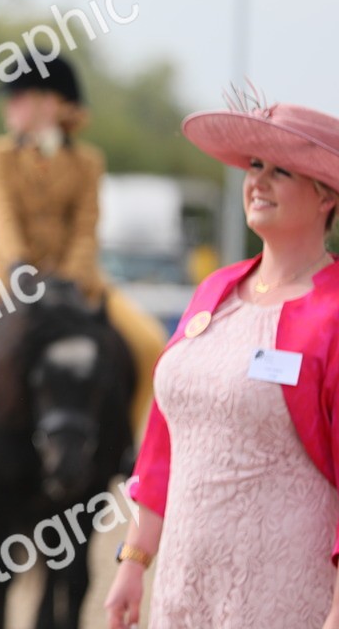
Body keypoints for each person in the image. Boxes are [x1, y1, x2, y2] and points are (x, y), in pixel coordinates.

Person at [104, 99, 339, 629]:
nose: (259, 181)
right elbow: (164, 438)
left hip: (284, 592)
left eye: (282, 171)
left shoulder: (334, 313)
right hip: (182, 584)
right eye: (255, 166)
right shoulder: (215, 290)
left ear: (326, 194)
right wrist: (136, 561)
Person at [0, 53, 168, 476]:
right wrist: (18, 265)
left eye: (20, 97)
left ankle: (129, 442)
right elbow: (4, 215)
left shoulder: (88, 161)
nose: (10, 106)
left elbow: (87, 225)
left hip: (77, 274)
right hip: (3, 269)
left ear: (52, 103)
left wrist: (70, 275)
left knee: (148, 341)